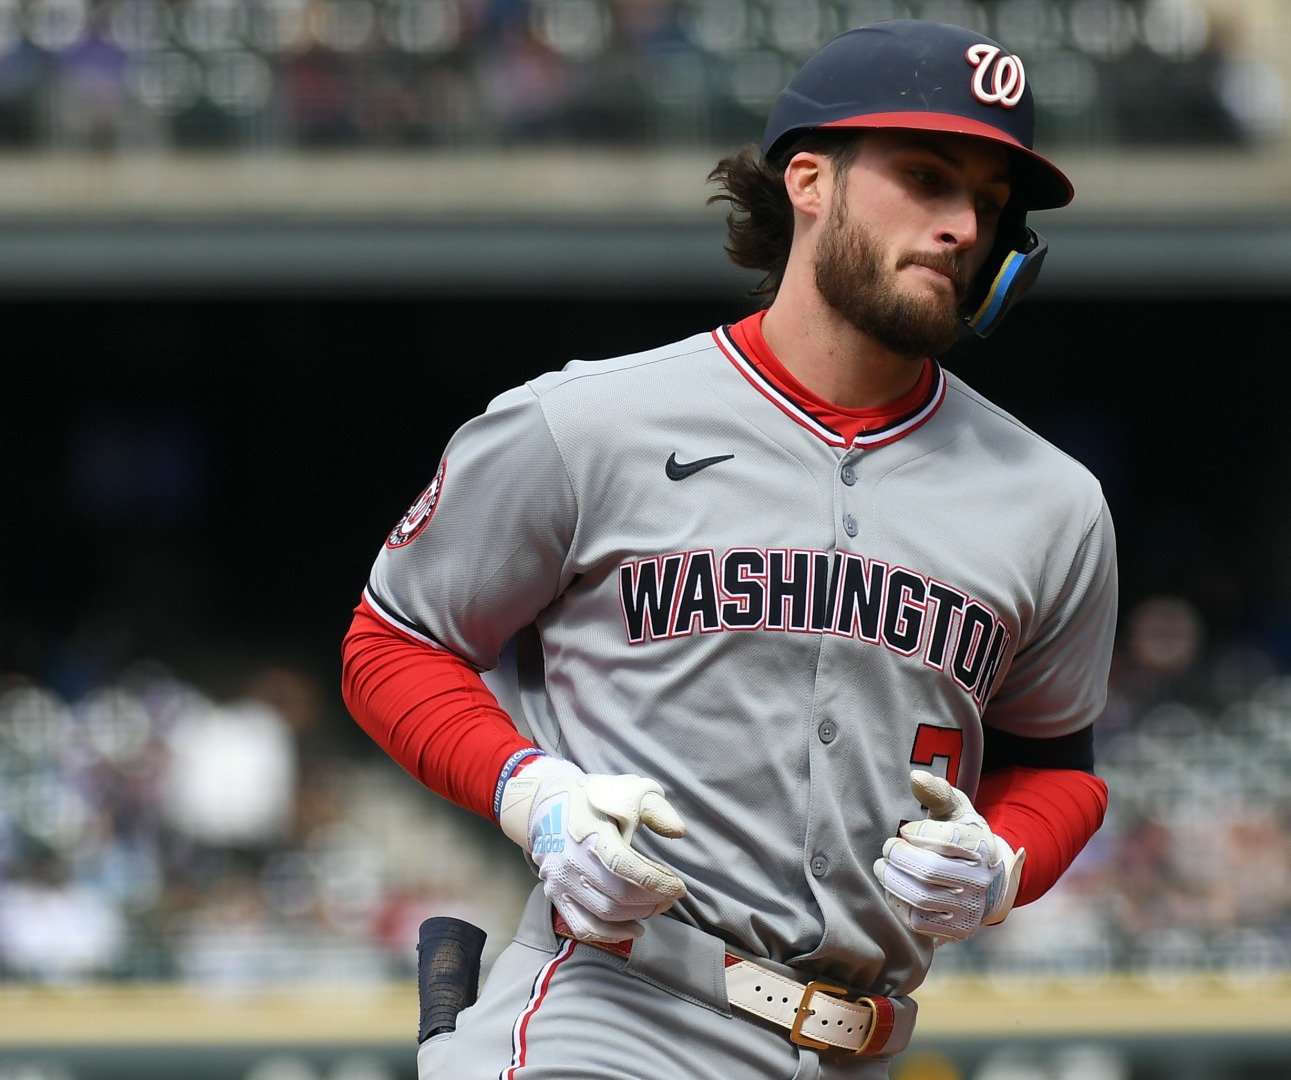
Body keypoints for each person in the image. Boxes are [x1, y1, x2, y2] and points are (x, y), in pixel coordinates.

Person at [339, 18, 1119, 1079]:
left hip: (865, 1046)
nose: (959, 226)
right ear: (808, 179)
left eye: (987, 204)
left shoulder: (1054, 504)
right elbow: (393, 642)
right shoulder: (585, 425)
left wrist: (1007, 863)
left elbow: (1058, 766)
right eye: (927, 177)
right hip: (619, 1008)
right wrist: (536, 796)